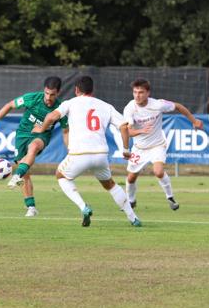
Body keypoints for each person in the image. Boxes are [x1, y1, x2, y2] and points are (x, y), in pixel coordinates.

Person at [35, 75, 140, 227]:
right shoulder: (105, 106)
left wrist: (41, 129)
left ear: (76, 90)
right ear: (92, 90)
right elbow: (124, 126)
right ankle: (133, 218)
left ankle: (84, 207)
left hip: (79, 154)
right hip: (100, 155)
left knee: (61, 176)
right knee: (110, 185)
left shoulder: (70, 103)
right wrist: (125, 149)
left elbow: (51, 117)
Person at [122, 79, 203, 215]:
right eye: (135, 92)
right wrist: (141, 131)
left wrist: (194, 121)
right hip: (139, 148)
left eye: (141, 92)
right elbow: (128, 132)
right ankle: (131, 200)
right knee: (131, 178)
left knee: (158, 171)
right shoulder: (130, 108)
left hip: (157, 145)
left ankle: (170, 198)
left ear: (148, 93)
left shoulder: (158, 105)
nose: (137, 95)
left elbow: (178, 106)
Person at [0, 76, 68, 217]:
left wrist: (70, 149)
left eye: (52, 94)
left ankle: (16, 175)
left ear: (58, 93)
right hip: (22, 135)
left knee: (34, 147)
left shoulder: (61, 109)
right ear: (44, 91)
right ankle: (31, 207)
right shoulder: (33, 98)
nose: (49, 97)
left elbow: (65, 131)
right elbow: (10, 105)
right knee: (25, 173)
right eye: (47, 93)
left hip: (41, 136)